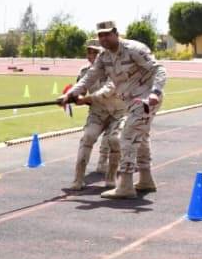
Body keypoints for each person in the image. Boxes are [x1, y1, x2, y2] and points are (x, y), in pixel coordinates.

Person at [59, 20, 167, 199]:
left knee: (126, 137)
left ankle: (125, 185)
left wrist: (155, 92)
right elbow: (89, 77)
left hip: (145, 99)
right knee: (140, 137)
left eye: (107, 34)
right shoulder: (104, 57)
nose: (104, 38)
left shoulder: (134, 49)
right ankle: (146, 179)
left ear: (116, 33)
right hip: (129, 102)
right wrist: (70, 94)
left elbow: (159, 70)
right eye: (100, 35)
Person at [64, 39, 126, 191]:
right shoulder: (84, 72)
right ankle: (78, 179)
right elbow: (81, 88)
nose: (91, 55)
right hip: (97, 113)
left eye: (95, 52)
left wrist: (86, 99)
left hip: (118, 112)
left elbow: (108, 90)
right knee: (88, 137)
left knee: (114, 140)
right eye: (89, 52)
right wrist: (70, 96)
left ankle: (110, 178)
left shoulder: (115, 70)